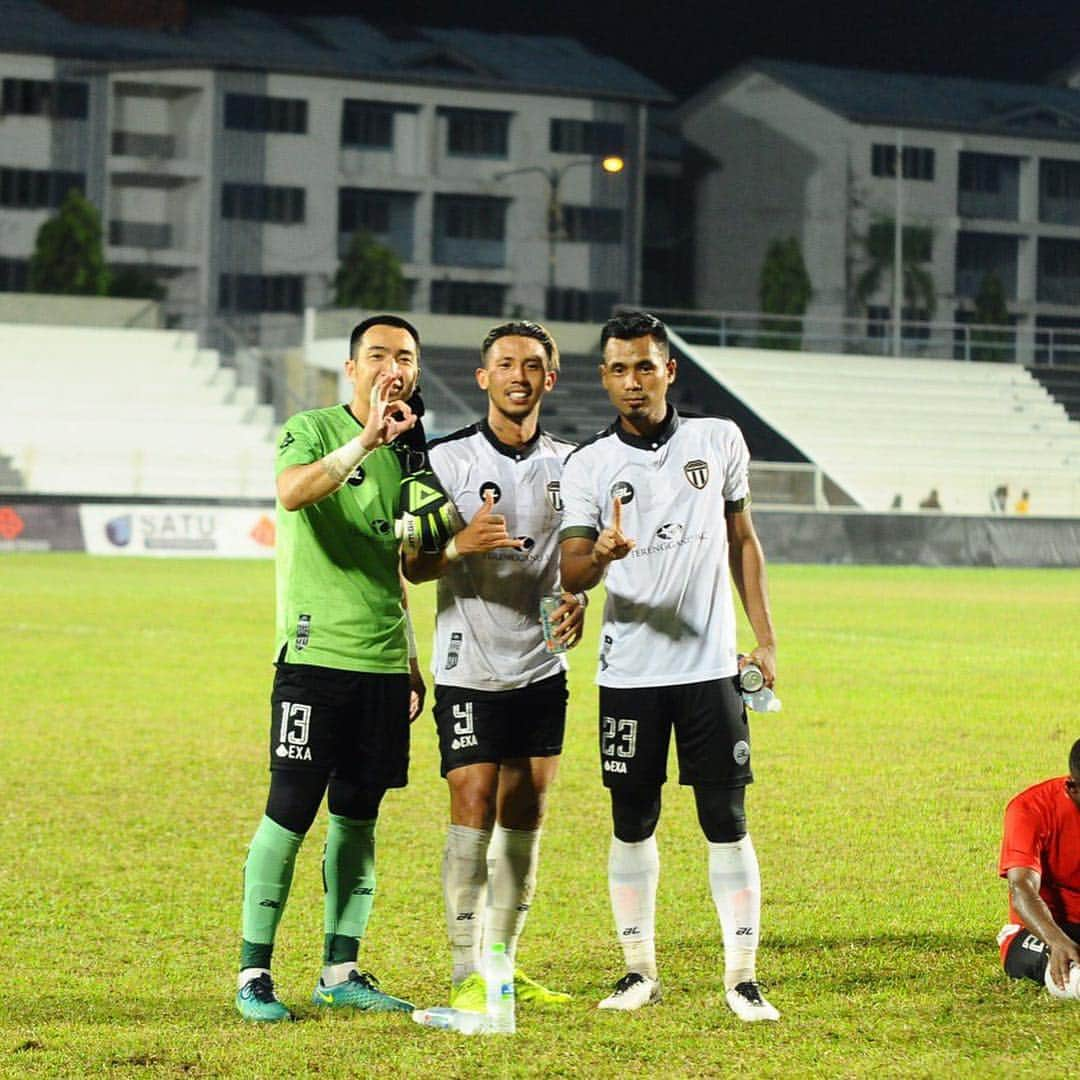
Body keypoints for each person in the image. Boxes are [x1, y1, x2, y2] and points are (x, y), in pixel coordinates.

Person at [559, 311, 781, 1022]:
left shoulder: (718, 441)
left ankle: (742, 976)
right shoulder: (588, 464)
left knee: (727, 816)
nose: (632, 380)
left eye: (645, 366)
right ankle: (638, 971)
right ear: (604, 377)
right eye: (619, 368)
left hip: (710, 668)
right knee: (633, 818)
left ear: (669, 370)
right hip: (628, 673)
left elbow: (743, 539)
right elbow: (570, 568)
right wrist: (601, 556)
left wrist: (766, 639)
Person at [235, 314, 440, 1022]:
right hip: (314, 657)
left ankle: (340, 969)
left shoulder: (415, 456)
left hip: (382, 664)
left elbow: (402, 564)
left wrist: (412, 659)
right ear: (351, 369)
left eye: (405, 357)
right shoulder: (314, 429)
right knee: (289, 811)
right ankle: (253, 974)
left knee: (358, 816)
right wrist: (365, 441)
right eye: (378, 355)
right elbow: (292, 492)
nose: (392, 366)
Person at [403, 320, 584, 1013]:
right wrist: (456, 548)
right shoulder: (445, 462)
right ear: (483, 379)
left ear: (549, 378)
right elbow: (413, 566)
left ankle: (504, 965)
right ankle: (463, 971)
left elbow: (576, 564)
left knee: (525, 812)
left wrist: (579, 602)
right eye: (505, 364)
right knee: (472, 802)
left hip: (541, 667)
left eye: (532, 365)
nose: (518, 375)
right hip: (468, 662)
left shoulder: (573, 465)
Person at [997, 738, 1080, 1000]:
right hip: (1046, 928)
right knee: (1071, 969)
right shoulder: (1031, 810)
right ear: (1073, 788)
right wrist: (1055, 940)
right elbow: (1021, 887)